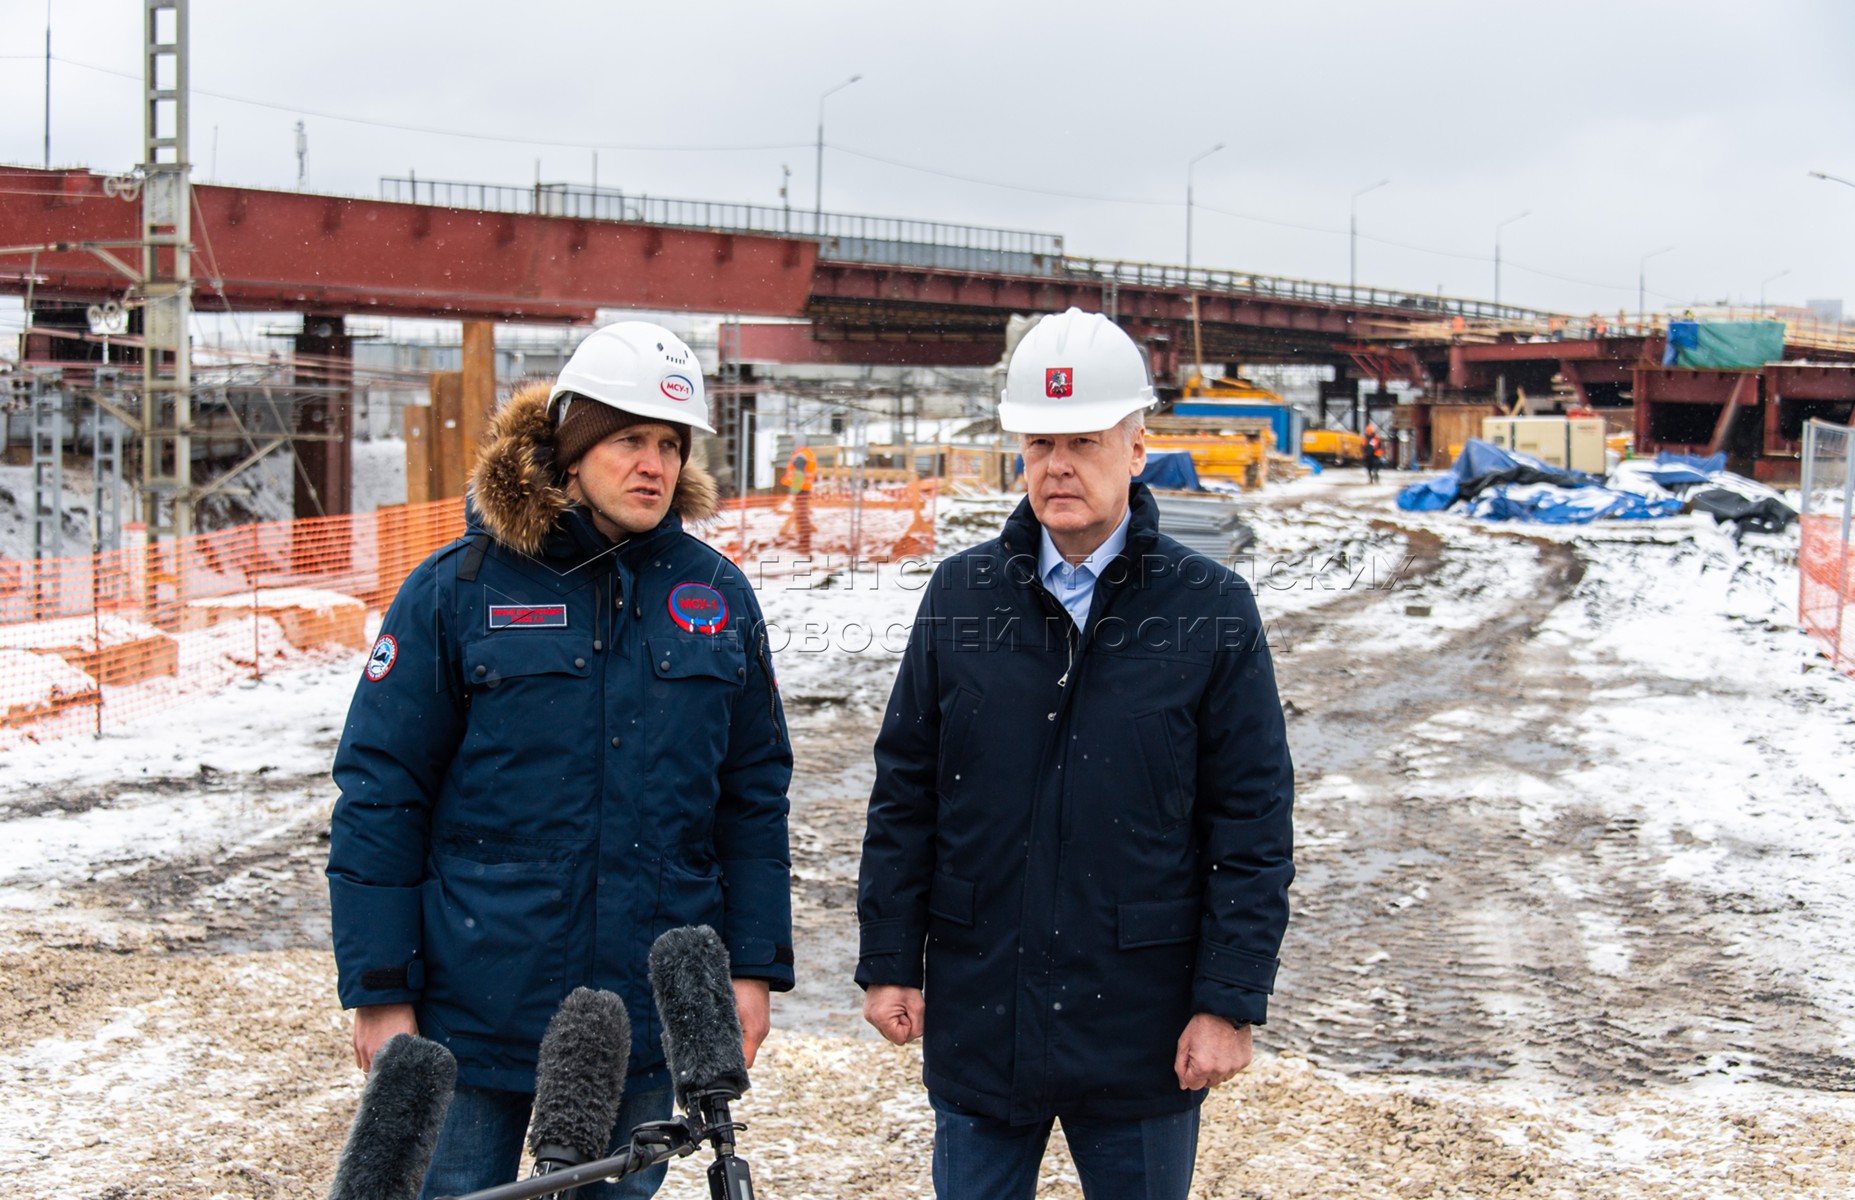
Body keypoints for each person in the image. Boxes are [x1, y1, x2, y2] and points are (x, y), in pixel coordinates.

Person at [326, 321, 794, 1200]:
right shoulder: (458, 589)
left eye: (668, 442)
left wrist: (752, 967)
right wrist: (381, 990)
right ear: (572, 449)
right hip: (472, 1017)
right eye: (627, 440)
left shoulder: (716, 596)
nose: (653, 463)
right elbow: (381, 794)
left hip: (643, 1021)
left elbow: (752, 797)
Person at [856, 307, 1295, 1199]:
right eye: (1038, 443)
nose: (1057, 466)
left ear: (1137, 449)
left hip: (1141, 1016)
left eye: (1085, 442)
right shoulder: (962, 593)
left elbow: (1250, 822)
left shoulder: (1209, 609)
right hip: (985, 1004)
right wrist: (891, 958)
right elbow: (906, 791)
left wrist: (1227, 1000)